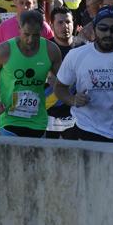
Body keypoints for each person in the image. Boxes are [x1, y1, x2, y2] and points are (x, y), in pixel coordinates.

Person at [54, 6, 113, 143]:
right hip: (86, 130)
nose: (108, 34)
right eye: (103, 28)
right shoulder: (77, 55)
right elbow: (59, 87)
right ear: (94, 29)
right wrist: (73, 100)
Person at [0, 10, 62, 137]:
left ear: (41, 30)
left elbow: (63, 81)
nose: (30, 40)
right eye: (26, 34)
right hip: (10, 120)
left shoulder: (51, 50)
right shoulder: (4, 50)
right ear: (19, 28)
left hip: (38, 121)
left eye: (35, 35)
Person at [45, 7, 83, 138]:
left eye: (68, 22)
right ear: (51, 25)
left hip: (75, 114)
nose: (65, 26)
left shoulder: (84, 48)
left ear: (74, 24)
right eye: (60, 23)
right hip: (48, 114)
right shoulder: (44, 49)